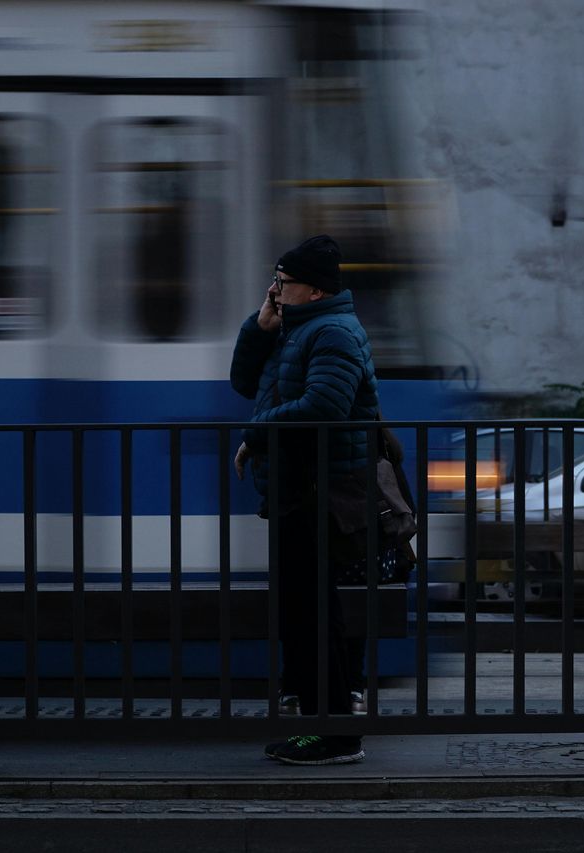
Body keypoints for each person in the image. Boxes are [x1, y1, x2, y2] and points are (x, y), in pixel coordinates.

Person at [230, 234, 378, 766]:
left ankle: (334, 733)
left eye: (283, 283)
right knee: (304, 610)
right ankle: (322, 721)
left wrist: (256, 434)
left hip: (320, 493)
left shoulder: (333, 333)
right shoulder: (295, 330)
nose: (273, 290)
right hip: (296, 491)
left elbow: (324, 405)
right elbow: (244, 382)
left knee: (315, 613)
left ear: (314, 290)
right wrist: (259, 326)